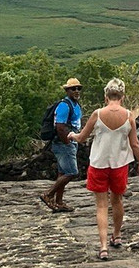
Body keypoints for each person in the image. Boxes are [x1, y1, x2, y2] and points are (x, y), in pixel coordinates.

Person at [72, 77, 139, 261]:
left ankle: (104, 246)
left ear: (106, 96)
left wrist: (72, 135)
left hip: (99, 164)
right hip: (120, 164)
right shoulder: (129, 116)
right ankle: (117, 235)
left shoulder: (97, 115)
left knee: (101, 205)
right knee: (117, 200)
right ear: (122, 96)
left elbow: (82, 138)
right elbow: (135, 144)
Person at [40, 77, 83, 213]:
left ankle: (59, 201)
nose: (76, 91)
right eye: (73, 89)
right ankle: (48, 194)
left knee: (62, 172)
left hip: (70, 141)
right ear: (67, 91)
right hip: (64, 142)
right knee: (71, 172)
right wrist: (67, 142)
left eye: (78, 88)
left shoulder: (75, 105)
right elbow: (59, 127)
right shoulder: (65, 105)